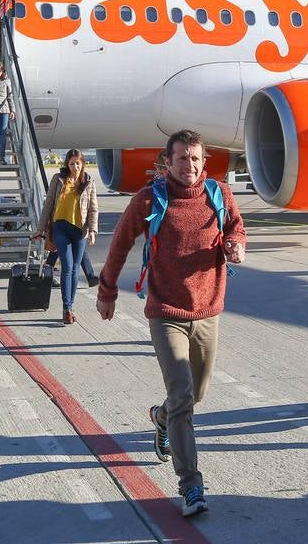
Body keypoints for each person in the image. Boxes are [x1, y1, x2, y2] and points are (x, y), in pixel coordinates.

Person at [96, 129, 246, 517]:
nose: (190, 166)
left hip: (209, 309)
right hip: (166, 312)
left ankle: (160, 418)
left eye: (196, 158)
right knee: (182, 395)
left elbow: (236, 228)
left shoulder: (219, 194)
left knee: (195, 395)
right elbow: (120, 244)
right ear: (168, 162)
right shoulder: (149, 198)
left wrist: (236, 244)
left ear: (203, 161)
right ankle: (191, 486)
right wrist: (107, 291)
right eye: (182, 158)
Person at [33, 149, 100, 324]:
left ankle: (70, 305)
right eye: (72, 164)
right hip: (60, 227)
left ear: (83, 164)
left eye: (78, 163)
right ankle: (67, 308)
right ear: (67, 165)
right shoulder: (58, 179)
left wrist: (93, 230)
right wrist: (40, 229)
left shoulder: (89, 182)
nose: (75, 167)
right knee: (67, 266)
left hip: (80, 230)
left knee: (76, 268)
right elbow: (48, 204)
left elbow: (93, 208)